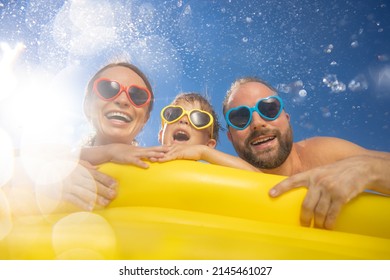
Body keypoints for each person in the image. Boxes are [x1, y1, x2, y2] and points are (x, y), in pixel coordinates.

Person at [222, 77, 390, 229]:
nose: (257, 123)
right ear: (230, 137)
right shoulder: (226, 181)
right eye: (240, 118)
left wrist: (370, 170)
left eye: (269, 109)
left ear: (286, 119)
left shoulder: (325, 154)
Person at [157, 92, 257, 170]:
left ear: (209, 145)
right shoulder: (148, 161)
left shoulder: (210, 169)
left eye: (198, 119)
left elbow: (255, 175)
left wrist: (203, 152)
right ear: (161, 135)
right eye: (174, 114)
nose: (183, 120)